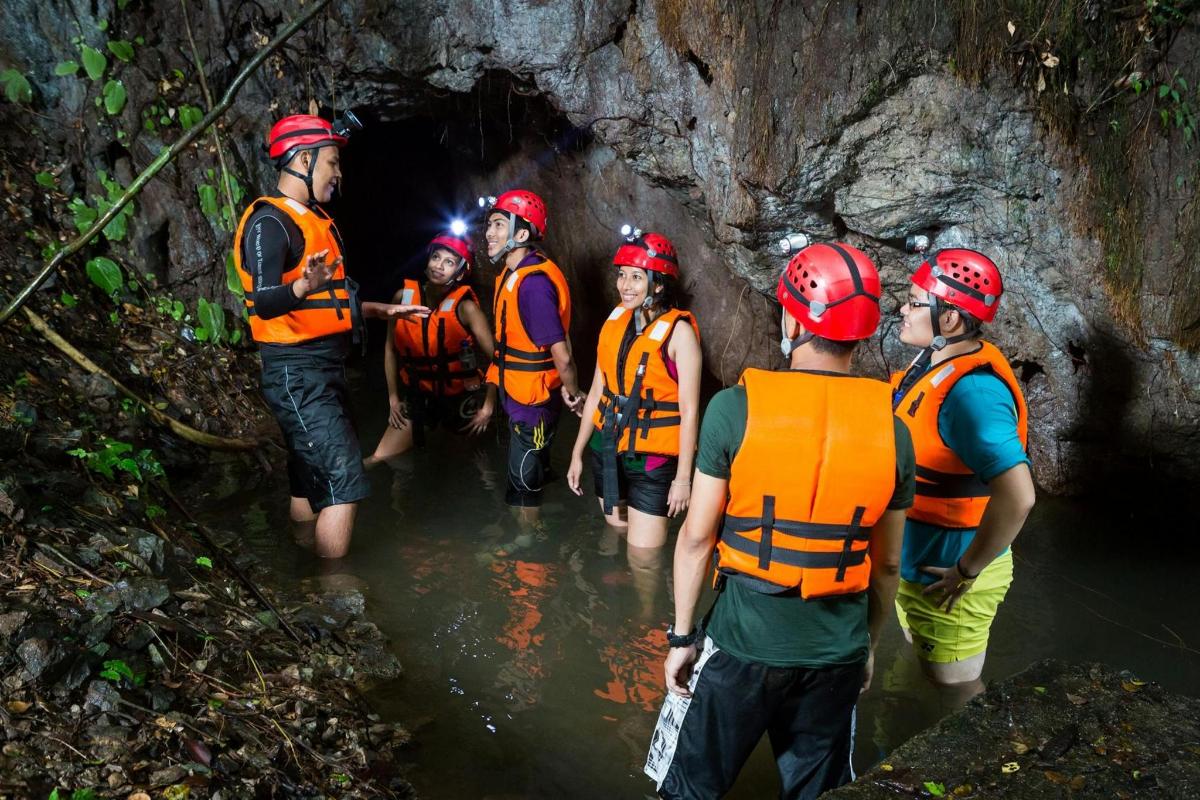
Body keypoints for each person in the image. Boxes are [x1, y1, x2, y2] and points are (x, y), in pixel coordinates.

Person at [645, 241, 915, 800]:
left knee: (690, 789)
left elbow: (696, 541)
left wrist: (682, 637)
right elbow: (887, 564)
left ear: (793, 317)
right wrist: (867, 647)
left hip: (742, 645)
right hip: (836, 651)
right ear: (863, 332)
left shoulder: (735, 409)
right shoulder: (895, 431)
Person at [233, 114, 429, 559]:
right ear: (303, 160)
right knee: (344, 480)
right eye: (332, 162)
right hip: (295, 370)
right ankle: (331, 593)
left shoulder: (315, 219)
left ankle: (301, 557)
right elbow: (265, 301)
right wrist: (303, 284)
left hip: (322, 366)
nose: (338, 174)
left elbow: (329, 305)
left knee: (308, 471)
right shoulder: (270, 223)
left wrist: (384, 309)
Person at [890, 247, 1036, 706]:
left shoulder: (973, 393)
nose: (902, 308)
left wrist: (965, 571)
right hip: (919, 567)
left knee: (957, 698)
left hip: (951, 578)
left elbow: (1019, 496)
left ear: (949, 318)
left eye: (914, 301)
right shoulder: (935, 361)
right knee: (927, 680)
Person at [566, 228, 702, 617]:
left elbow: (691, 410)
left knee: (644, 559)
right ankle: (615, 605)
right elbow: (596, 392)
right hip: (606, 450)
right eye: (621, 274)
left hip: (653, 462)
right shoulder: (615, 322)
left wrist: (683, 479)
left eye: (636, 277)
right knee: (617, 533)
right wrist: (576, 452)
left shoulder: (680, 335)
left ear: (658, 285)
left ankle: (643, 618)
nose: (624, 285)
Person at [481, 189, 584, 522]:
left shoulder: (533, 285)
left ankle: (528, 559)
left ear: (521, 234)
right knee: (532, 472)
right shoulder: (516, 275)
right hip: (522, 395)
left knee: (522, 484)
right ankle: (540, 528)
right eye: (489, 225)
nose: (489, 233)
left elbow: (562, 353)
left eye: (499, 225)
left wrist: (572, 390)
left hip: (535, 402)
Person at [365, 228, 497, 465]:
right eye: (436, 257)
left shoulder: (467, 309)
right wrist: (394, 398)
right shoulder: (402, 297)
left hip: (460, 397)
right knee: (379, 458)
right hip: (418, 393)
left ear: (459, 272)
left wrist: (488, 407)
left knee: (465, 466)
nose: (439, 265)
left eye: (449, 262)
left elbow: (497, 359)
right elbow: (390, 350)